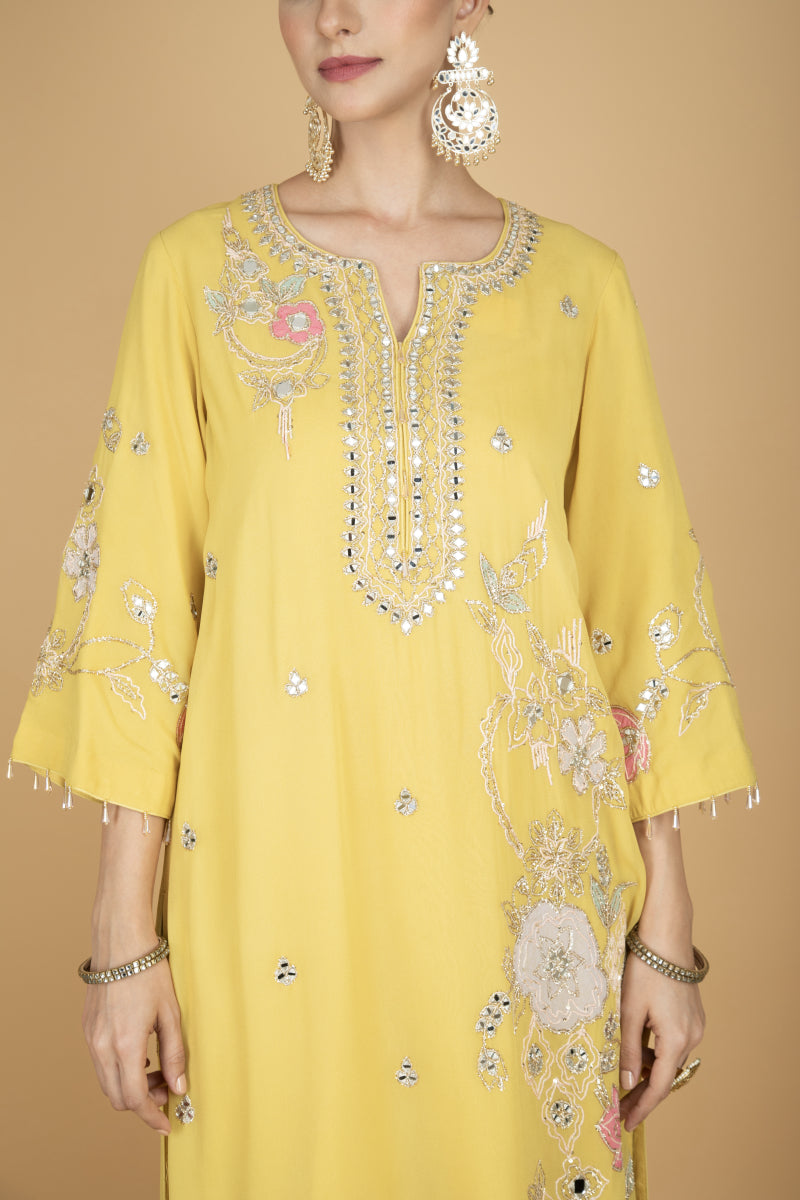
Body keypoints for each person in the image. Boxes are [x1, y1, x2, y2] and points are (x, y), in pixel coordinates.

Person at [7, 2, 759, 1197]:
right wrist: (123, 935)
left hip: (527, 906)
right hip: (268, 893)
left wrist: (663, 929)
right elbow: (137, 620)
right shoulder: (196, 274)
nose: (333, 15)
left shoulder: (576, 288)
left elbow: (635, 617)